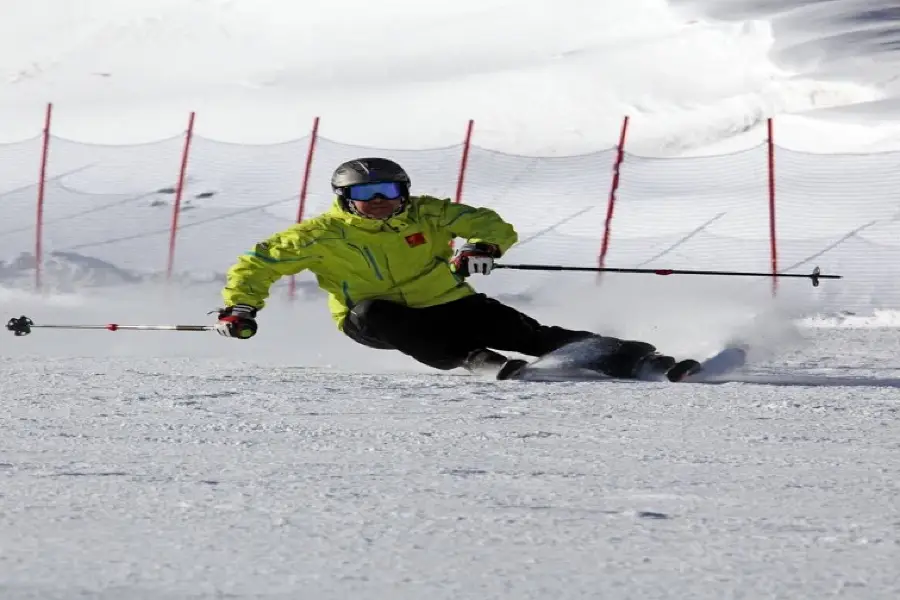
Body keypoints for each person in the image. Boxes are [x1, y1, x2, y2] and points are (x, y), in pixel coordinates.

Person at [215, 157, 699, 381]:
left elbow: (487, 222)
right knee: (372, 312)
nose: (380, 203)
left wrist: (483, 245)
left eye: (389, 192)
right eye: (365, 195)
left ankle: (639, 360)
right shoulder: (318, 236)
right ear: (344, 200)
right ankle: (475, 360)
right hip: (377, 320)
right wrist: (241, 307)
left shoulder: (427, 212)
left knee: (533, 335)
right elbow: (256, 266)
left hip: (450, 303)